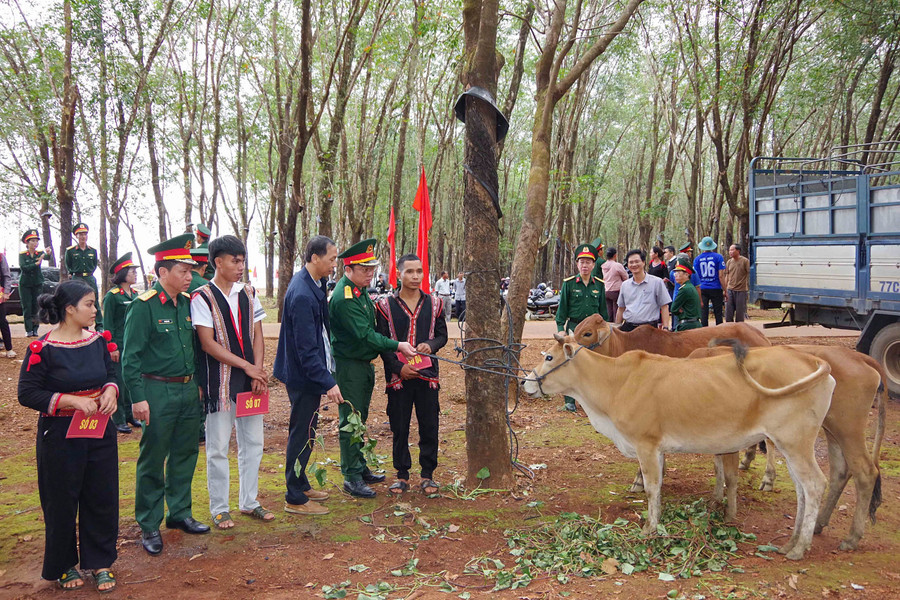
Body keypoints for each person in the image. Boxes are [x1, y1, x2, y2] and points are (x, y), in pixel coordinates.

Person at [18, 280, 119, 592]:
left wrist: (111, 391)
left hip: (99, 428)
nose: (94, 310)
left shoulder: (98, 342)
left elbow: (111, 375)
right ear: (70, 309)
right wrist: (71, 400)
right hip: (60, 434)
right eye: (89, 304)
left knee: (101, 495)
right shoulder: (43, 349)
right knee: (61, 499)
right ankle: (64, 564)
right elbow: (27, 393)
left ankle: (101, 561)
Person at [123, 233, 210, 556]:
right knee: (153, 457)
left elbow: (195, 349)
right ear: (162, 273)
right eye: (182, 271)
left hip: (187, 388)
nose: (189, 276)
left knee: (185, 453)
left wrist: (198, 384)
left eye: (190, 270)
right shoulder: (143, 307)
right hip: (156, 390)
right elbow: (131, 357)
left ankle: (180, 513)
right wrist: (137, 397)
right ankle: (149, 524)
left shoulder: (188, 304)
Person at [192, 235, 270, 530]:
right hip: (220, 384)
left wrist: (259, 372)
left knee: (253, 443)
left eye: (242, 261)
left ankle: (249, 501)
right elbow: (208, 344)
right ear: (218, 262)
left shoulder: (248, 292)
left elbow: (258, 334)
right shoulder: (202, 297)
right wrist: (248, 366)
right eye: (235, 261)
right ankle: (220, 507)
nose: (240, 267)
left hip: (251, 382)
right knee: (218, 447)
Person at [329, 238, 416, 498]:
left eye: (371, 269)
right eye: (364, 269)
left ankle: (360, 466)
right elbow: (366, 335)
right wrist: (398, 345)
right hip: (350, 367)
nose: (370, 274)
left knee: (360, 418)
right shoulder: (345, 298)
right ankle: (351, 477)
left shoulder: (360, 291)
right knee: (350, 420)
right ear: (348, 269)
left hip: (363, 365)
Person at [275, 235, 342, 516]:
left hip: (311, 374)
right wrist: (328, 382)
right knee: (300, 432)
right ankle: (294, 496)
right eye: (331, 259)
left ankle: (301, 482)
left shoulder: (316, 283)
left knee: (308, 432)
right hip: (303, 376)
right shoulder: (302, 294)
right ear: (315, 258)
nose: (334, 265)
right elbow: (305, 350)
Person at [375, 254, 448, 495]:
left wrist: (431, 345)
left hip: (427, 376)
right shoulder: (384, 306)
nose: (415, 276)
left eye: (419, 271)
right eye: (410, 271)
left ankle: (428, 475)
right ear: (399, 274)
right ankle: (402, 475)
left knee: (429, 425)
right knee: (400, 425)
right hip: (399, 378)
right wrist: (399, 368)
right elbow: (383, 343)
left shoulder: (435, 303)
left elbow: (442, 335)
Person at [556, 243, 607, 411]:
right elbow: (561, 310)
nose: (585, 266)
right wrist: (561, 329)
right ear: (577, 264)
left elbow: (603, 313)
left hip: (592, 333)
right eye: (582, 262)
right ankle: (569, 401)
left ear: (593, 265)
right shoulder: (569, 284)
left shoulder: (599, 284)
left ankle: (591, 400)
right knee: (571, 363)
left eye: (588, 262)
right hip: (573, 329)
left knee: (593, 365)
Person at [102, 253, 140, 435]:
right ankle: (118, 419)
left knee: (130, 380)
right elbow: (107, 324)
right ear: (123, 274)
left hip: (133, 344)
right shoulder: (113, 296)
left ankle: (129, 415)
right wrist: (112, 347)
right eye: (132, 271)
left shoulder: (135, 294)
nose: (135, 275)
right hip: (119, 344)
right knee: (118, 381)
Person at [615, 249, 671, 331]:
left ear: (643, 262)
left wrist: (665, 327)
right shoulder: (625, 285)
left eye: (637, 261)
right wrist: (617, 328)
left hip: (649, 329)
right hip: (628, 328)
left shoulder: (657, 282)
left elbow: (664, 306)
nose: (634, 264)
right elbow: (621, 308)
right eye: (631, 262)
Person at [65, 223, 103, 330]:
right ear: (76, 236)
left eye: (85, 234)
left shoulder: (92, 251)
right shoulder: (70, 251)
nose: (83, 237)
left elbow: (94, 264)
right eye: (80, 234)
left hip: (90, 278)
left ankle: (99, 325)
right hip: (77, 278)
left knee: (94, 301)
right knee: (78, 302)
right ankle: (81, 324)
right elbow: (68, 265)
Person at [20, 229, 51, 337]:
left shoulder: (39, 253)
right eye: (32, 241)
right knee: (27, 307)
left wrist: (48, 253)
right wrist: (36, 263)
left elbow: (47, 257)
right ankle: (28, 329)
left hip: (37, 283)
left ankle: (35, 329)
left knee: (36, 307)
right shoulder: (23, 255)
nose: (35, 243)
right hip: (25, 284)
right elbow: (24, 267)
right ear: (27, 243)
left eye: (36, 241)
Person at [693, 236, 726, 327]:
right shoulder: (718, 257)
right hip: (716, 288)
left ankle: (704, 330)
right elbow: (721, 275)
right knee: (718, 311)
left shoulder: (697, 259)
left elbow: (695, 276)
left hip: (702, 288)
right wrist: (725, 289)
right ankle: (720, 330)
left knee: (704, 311)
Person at [669, 258, 702, 331]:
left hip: (687, 326)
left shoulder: (684, 289)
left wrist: (681, 311)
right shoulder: (690, 287)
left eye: (678, 273)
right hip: (694, 324)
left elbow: (673, 309)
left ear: (686, 274)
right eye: (675, 273)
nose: (675, 275)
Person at [601, 247, 628, 320]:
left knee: (609, 311)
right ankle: (616, 327)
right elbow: (625, 277)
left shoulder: (603, 266)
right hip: (616, 291)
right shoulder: (617, 265)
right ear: (615, 255)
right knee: (617, 311)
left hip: (606, 290)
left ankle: (609, 326)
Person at [725, 244, 751, 322]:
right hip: (730, 290)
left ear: (738, 251)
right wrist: (725, 289)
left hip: (741, 290)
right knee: (728, 312)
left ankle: (739, 330)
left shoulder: (745, 261)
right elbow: (727, 275)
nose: (730, 252)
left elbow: (749, 273)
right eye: (730, 250)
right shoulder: (729, 262)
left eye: (732, 250)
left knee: (739, 313)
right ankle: (729, 329)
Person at [0, 251, 14, 358]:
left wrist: (6, 292)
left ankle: (9, 348)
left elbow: (6, 276)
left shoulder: (1, 257)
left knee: (2, 321)